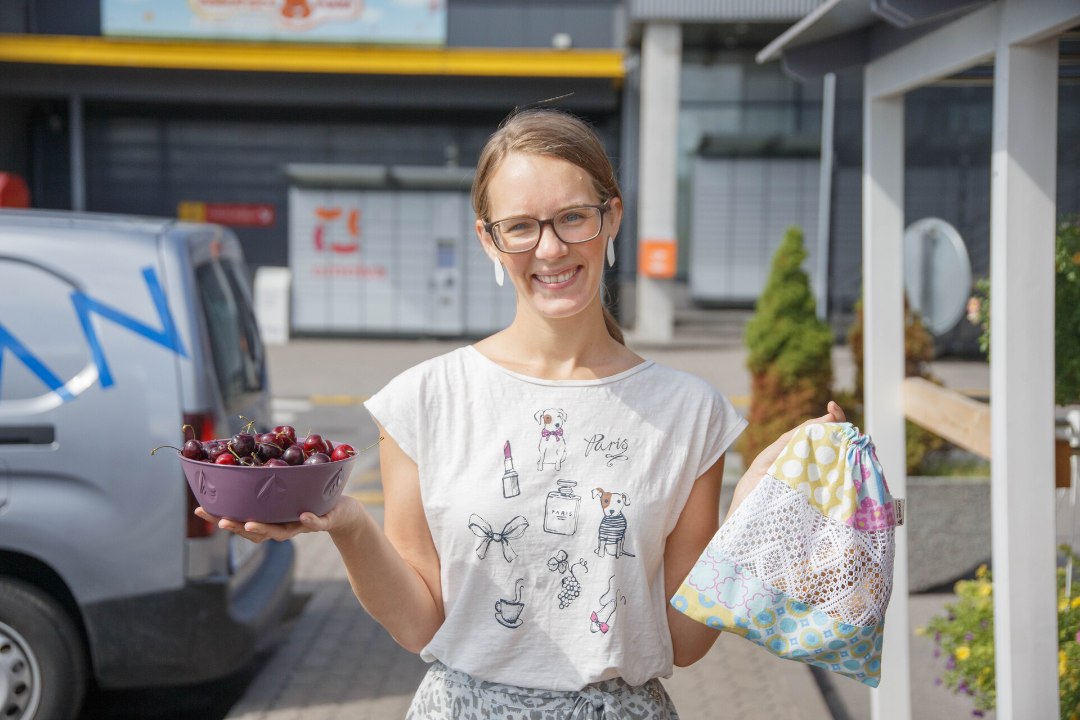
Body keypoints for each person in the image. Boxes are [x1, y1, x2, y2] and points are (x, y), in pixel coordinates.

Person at [197, 108, 844, 719]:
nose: (551, 248)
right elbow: (420, 623)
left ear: (611, 218)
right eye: (522, 226)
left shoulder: (689, 412)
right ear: (489, 239)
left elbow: (685, 641)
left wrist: (759, 501)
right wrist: (345, 525)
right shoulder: (423, 399)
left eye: (572, 218)